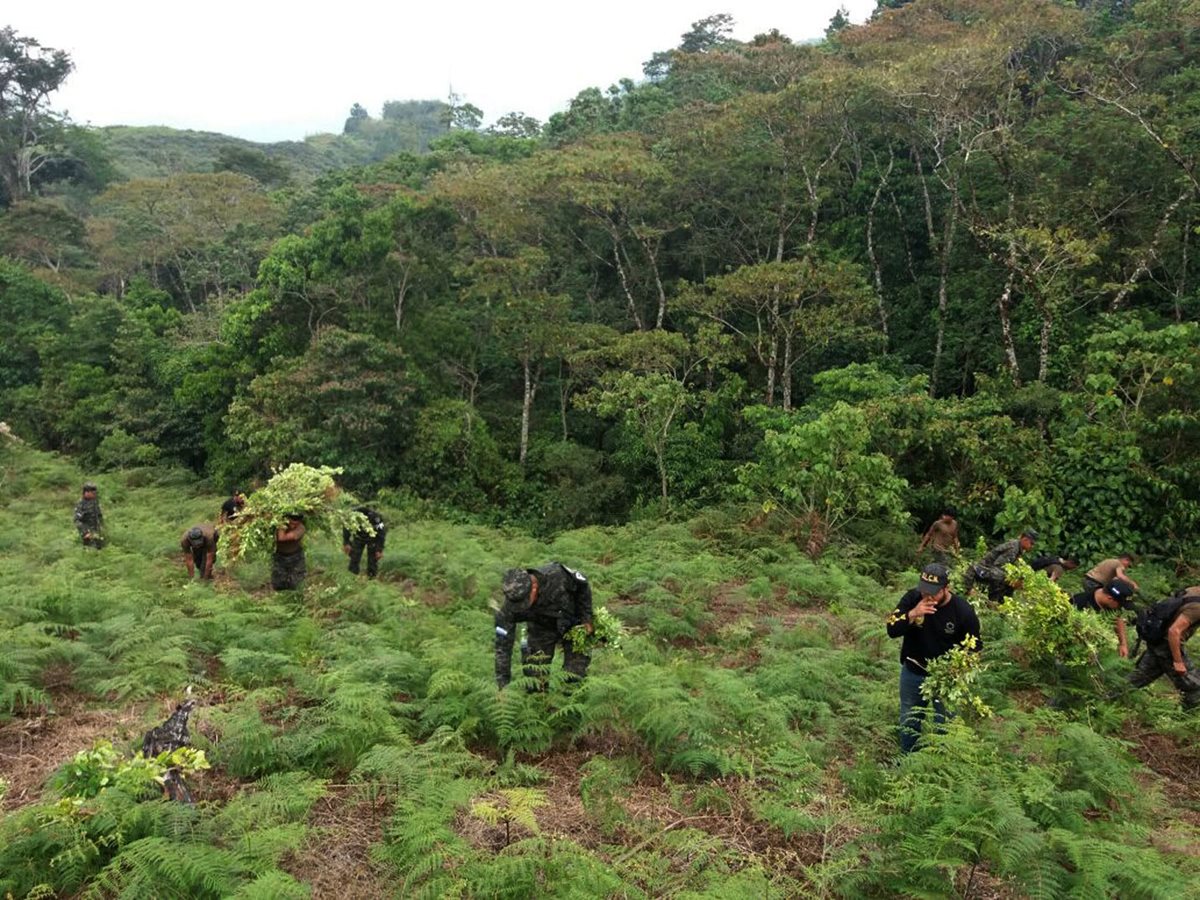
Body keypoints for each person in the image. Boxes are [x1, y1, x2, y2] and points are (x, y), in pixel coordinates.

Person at [886, 563, 982, 753]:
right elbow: (892, 628)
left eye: (933, 593)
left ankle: (940, 764)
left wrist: (957, 671)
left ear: (947, 588)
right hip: (913, 671)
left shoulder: (963, 611)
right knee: (909, 720)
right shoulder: (912, 598)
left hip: (946, 678)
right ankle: (907, 761)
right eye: (924, 591)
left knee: (945, 725)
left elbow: (975, 648)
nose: (927, 597)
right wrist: (913, 614)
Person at [494, 562, 594, 690]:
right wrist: (502, 685)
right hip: (541, 630)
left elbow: (583, 586)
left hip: (574, 623)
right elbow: (502, 647)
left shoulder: (557, 575)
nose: (521, 607)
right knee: (534, 679)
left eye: (524, 601)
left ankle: (569, 706)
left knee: (574, 676)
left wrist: (587, 618)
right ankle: (540, 706)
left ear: (534, 586)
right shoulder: (508, 610)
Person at [1129, 590, 1200, 710]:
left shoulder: (1193, 590)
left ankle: (1102, 697)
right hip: (1168, 646)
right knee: (1196, 687)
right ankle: (1185, 720)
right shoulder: (1197, 608)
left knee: (1139, 677)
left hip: (1158, 640)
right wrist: (1178, 661)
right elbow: (1174, 631)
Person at [963, 530, 1037, 603]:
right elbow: (998, 569)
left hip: (991, 570)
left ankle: (1000, 602)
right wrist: (1012, 582)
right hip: (985, 569)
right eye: (1031, 544)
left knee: (1011, 582)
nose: (1032, 546)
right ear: (1025, 540)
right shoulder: (1013, 549)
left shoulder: (1017, 548)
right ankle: (993, 601)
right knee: (1002, 577)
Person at [1071, 577, 1136, 658]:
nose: (1120, 608)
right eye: (1120, 605)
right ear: (1110, 599)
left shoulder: (1110, 604)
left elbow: (1117, 619)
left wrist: (1123, 644)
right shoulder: (1079, 603)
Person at [342, 506, 387, 578]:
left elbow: (381, 533)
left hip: (372, 537)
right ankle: (352, 577)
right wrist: (346, 542)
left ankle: (372, 578)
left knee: (373, 561)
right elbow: (346, 528)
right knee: (354, 558)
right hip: (358, 536)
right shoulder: (352, 516)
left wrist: (379, 549)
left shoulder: (376, 517)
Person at [271, 514, 306, 591]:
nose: (293, 526)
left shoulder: (301, 529)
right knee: (278, 584)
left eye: (295, 524)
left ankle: (294, 598)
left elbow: (281, 538)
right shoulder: (282, 525)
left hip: (295, 557)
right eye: (291, 523)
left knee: (296, 583)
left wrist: (281, 525)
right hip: (280, 556)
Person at [74, 482, 105, 549]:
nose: (94, 494)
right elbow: (77, 520)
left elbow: (99, 515)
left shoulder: (95, 501)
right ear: (86, 492)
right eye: (92, 493)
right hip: (87, 534)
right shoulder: (81, 504)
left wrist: (102, 527)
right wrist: (85, 532)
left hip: (97, 532)